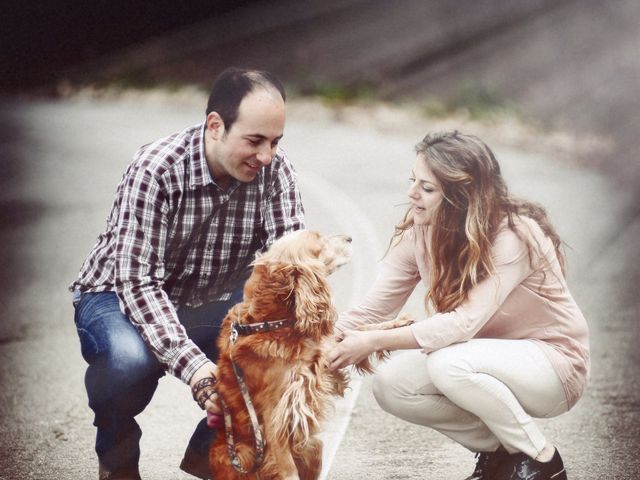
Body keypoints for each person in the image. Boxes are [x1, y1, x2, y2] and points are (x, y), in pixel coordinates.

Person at [69, 67, 305, 480]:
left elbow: (286, 273)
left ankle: (213, 459)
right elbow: (138, 282)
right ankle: (118, 464)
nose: (266, 156)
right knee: (127, 365)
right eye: (254, 140)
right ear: (216, 126)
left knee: (279, 351)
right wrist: (199, 372)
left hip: (208, 301)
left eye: (275, 142)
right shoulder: (156, 168)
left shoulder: (275, 171)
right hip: (120, 297)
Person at [329, 131, 589, 480]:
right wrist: (301, 339)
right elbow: (371, 313)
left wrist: (373, 341)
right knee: (391, 384)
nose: (411, 194)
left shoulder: (513, 235)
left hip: (553, 367)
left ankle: (541, 459)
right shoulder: (419, 232)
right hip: (483, 362)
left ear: (462, 196)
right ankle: (501, 456)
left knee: (447, 363)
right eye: (413, 181)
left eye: (427, 188)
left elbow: (461, 325)